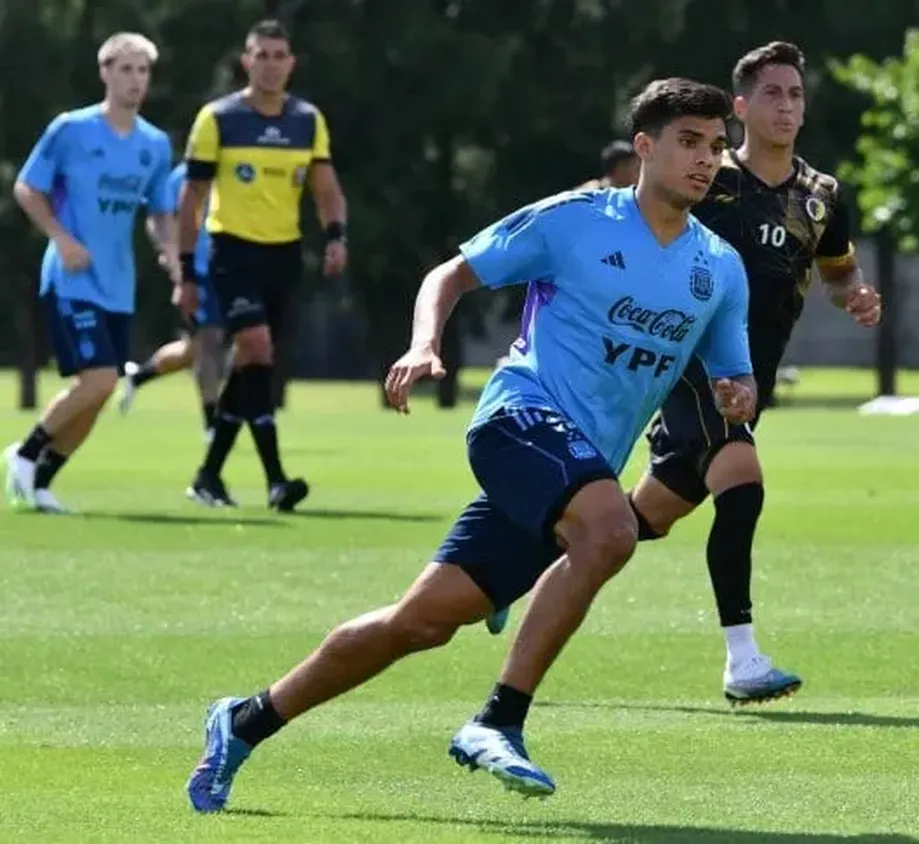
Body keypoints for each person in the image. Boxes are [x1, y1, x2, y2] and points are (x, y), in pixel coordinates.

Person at [185, 77, 752, 812]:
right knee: (610, 532)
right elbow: (450, 274)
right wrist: (425, 344)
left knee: (418, 622)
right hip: (519, 420)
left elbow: (734, 375)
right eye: (689, 143)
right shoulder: (576, 220)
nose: (706, 160)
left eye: (715, 146)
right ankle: (497, 722)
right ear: (644, 148)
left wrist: (738, 394)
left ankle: (245, 719)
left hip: (578, 469)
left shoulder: (719, 268)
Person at [485, 42, 881, 706]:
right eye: (773, 93)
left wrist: (857, 297)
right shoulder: (708, 178)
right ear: (742, 106)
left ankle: (510, 572)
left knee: (645, 518)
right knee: (742, 479)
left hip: (748, 377)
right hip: (682, 364)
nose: (788, 106)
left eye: (797, 94)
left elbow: (839, 273)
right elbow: (637, 226)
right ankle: (742, 659)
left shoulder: (822, 196)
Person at [3, 33, 178, 515]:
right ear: (105, 73)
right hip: (71, 277)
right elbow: (27, 188)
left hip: (118, 285)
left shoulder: (155, 144)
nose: (135, 80)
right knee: (100, 380)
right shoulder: (71, 129)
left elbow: (159, 212)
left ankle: (39, 482)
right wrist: (61, 238)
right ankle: (25, 451)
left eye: (142, 71)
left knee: (98, 396)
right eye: (125, 69)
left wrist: (172, 257)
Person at [177, 18, 348, 511]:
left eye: (280, 56)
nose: (271, 65)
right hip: (232, 250)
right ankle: (276, 478)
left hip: (284, 255)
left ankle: (209, 475)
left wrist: (335, 236)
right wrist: (186, 271)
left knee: (254, 365)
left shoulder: (307, 121)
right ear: (246, 61)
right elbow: (192, 201)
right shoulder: (218, 118)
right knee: (255, 347)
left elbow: (326, 188)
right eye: (262, 55)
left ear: (291, 63)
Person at [116, 162, 228, 440]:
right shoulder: (185, 174)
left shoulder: (242, 164)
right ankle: (212, 424)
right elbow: (157, 217)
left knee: (198, 349)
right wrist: (171, 255)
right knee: (209, 342)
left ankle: (139, 376)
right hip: (199, 272)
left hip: (233, 270)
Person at [576, 139, 640, 190]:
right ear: (614, 167)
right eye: (628, 164)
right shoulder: (591, 192)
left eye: (635, 163)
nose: (636, 168)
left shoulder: (638, 194)